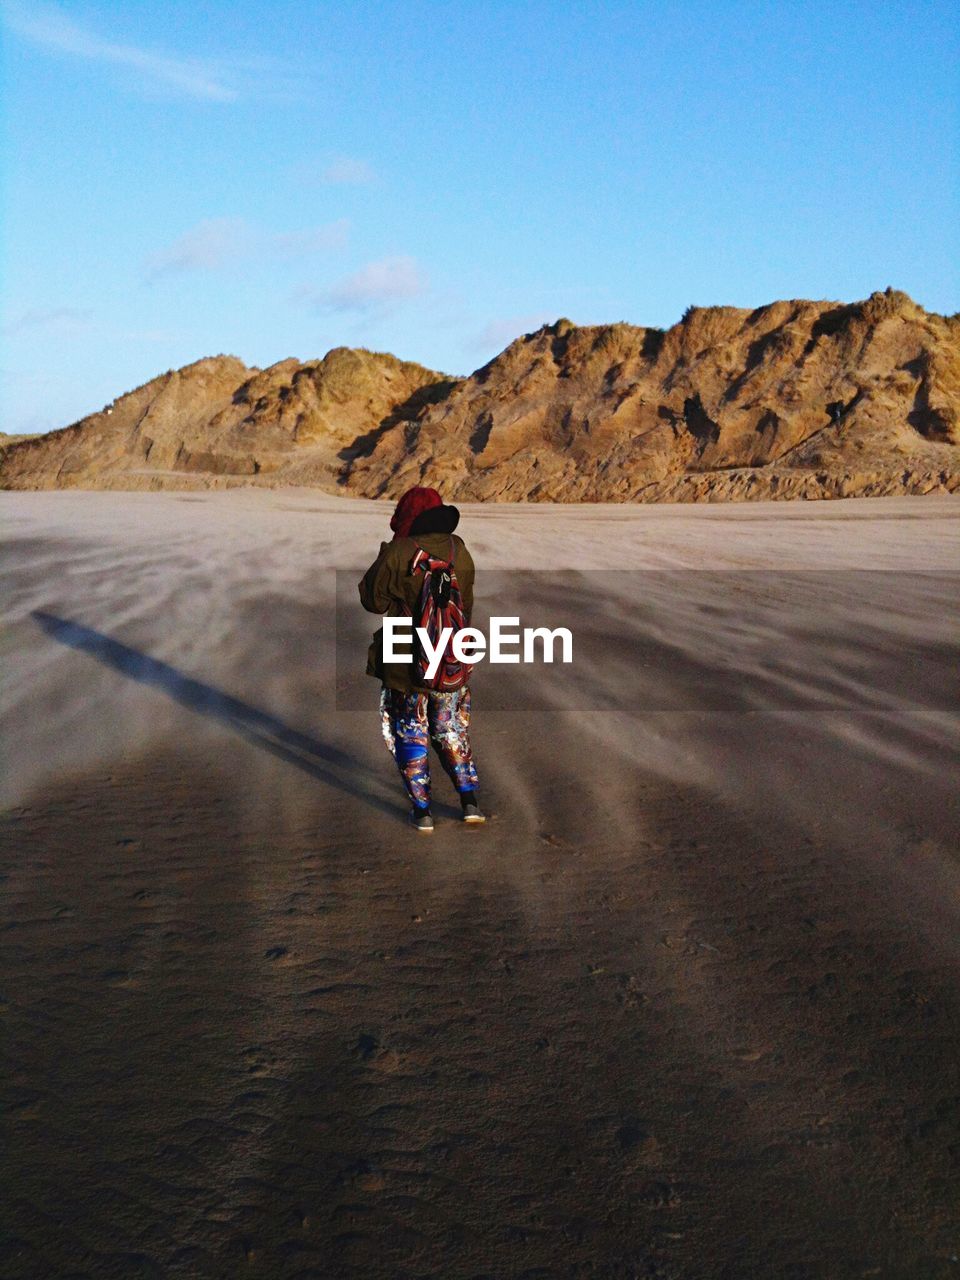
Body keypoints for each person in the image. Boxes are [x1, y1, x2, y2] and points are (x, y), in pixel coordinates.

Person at [359, 486, 485, 832]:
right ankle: (469, 802)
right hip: (450, 658)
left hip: (405, 662)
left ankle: (423, 812)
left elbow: (372, 600)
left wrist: (387, 556)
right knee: (451, 730)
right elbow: (467, 605)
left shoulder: (400, 551)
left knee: (410, 732)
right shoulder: (459, 550)